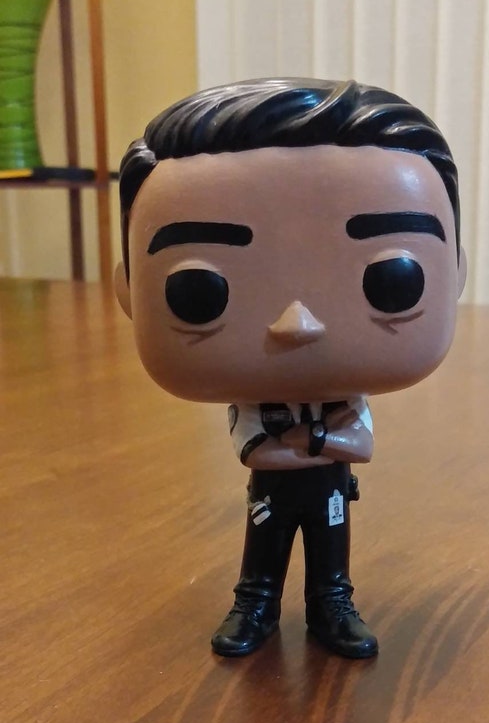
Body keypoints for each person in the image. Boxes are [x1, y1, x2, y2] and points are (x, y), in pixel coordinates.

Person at [116, 78, 466, 659]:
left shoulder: (334, 401)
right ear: (128, 289)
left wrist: (300, 444)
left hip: (329, 492)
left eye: (393, 279)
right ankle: (255, 605)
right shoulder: (269, 407)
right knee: (264, 548)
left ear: (456, 272)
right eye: (198, 291)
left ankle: (333, 605)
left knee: (331, 554)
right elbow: (258, 451)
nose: (297, 323)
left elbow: (359, 445)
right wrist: (319, 441)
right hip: (273, 493)